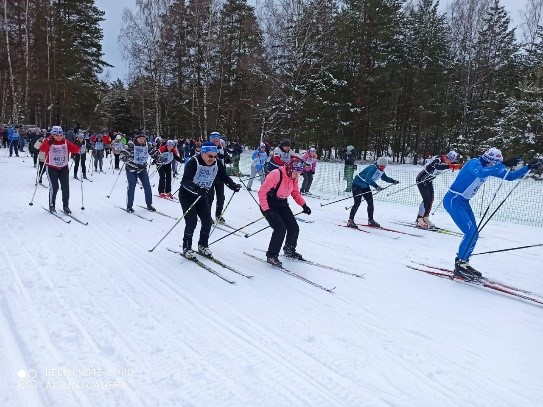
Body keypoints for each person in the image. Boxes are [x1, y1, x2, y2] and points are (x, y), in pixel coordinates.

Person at [443, 148, 538, 280]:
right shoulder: (473, 164)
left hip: (463, 202)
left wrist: (528, 167)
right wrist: (503, 164)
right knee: (470, 233)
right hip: (453, 200)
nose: (496, 166)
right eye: (495, 163)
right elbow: (481, 173)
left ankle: (464, 263)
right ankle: (459, 265)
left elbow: (509, 176)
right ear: (489, 160)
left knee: (474, 234)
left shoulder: (490, 167)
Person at [179, 141, 241, 259]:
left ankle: (203, 245)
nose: (213, 158)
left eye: (215, 156)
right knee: (191, 222)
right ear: (203, 153)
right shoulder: (194, 162)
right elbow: (185, 181)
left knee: (207, 221)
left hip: (202, 196)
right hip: (187, 195)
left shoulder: (217, 163)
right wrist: (197, 189)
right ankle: (187, 247)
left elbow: (224, 177)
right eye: (210, 156)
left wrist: (233, 185)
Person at [258, 157, 311, 266]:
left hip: (282, 203)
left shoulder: (294, 177)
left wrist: (304, 205)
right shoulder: (276, 174)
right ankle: (271, 255)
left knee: (293, 227)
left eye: (299, 173)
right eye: (296, 172)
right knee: (280, 228)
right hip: (269, 204)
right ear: (290, 169)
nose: (297, 175)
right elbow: (262, 192)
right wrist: (266, 209)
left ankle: (289, 250)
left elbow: (295, 192)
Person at [347, 157, 399, 228]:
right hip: (357, 185)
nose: (382, 168)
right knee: (357, 203)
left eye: (383, 166)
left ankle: (370, 220)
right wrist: (376, 186)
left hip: (365, 186)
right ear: (378, 164)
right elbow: (368, 178)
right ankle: (350, 221)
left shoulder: (380, 170)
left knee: (370, 202)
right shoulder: (373, 168)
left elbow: (384, 178)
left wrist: (393, 181)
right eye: (381, 166)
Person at [39, 126, 81, 213]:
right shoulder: (48, 141)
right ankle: (52, 205)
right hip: (51, 167)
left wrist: (78, 146)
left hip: (63, 168)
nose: (59, 137)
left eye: (61, 135)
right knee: (54, 187)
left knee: (65, 187)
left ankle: (66, 206)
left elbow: (75, 149)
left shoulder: (65, 141)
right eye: (57, 135)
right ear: (53, 135)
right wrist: (49, 143)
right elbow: (42, 149)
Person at [415, 150, 457, 229]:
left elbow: (453, 165)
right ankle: (419, 218)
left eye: (452, 162)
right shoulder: (438, 159)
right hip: (422, 179)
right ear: (447, 157)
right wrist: (450, 166)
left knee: (431, 198)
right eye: (450, 161)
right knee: (426, 198)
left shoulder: (446, 162)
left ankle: (425, 217)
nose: (450, 163)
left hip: (428, 180)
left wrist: (460, 165)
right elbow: (437, 166)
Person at [119, 132, 157, 213]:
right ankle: (129, 206)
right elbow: (122, 153)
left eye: (143, 138)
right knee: (132, 186)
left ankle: (149, 204)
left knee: (147, 186)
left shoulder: (147, 145)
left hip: (142, 169)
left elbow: (154, 153)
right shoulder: (130, 145)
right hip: (131, 169)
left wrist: (158, 157)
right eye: (140, 138)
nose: (142, 140)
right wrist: (124, 158)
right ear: (136, 138)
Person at [207, 132, 232, 223]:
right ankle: (207, 216)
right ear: (210, 140)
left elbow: (226, 157)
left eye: (217, 140)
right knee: (209, 197)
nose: (215, 142)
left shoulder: (222, 148)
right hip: (210, 176)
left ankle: (218, 215)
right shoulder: (207, 148)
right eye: (214, 140)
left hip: (220, 176)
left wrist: (228, 158)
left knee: (221, 197)